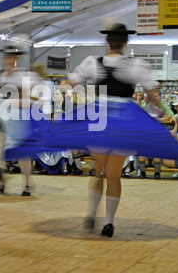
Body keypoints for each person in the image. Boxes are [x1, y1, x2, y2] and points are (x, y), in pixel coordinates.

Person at [62, 22, 157, 237]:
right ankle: (108, 222)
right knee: (114, 175)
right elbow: (152, 94)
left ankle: (91, 213)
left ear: (107, 42)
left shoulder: (92, 63)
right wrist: (160, 108)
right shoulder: (136, 65)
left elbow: (69, 83)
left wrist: (71, 92)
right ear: (125, 42)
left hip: (100, 119)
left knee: (98, 170)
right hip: (124, 120)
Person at [0, 43, 41, 196]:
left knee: (22, 151)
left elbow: (28, 96)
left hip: (18, 114)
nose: (8, 59)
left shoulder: (23, 75)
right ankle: (0, 182)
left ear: (16, 59)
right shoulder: (1, 75)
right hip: (1, 113)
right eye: (6, 56)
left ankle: (27, 184)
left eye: (11, 56)